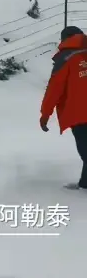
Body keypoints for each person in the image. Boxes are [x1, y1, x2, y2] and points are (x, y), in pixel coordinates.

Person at [40, 25, 87, 189]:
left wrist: (45, 114)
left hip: (80, 114)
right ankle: (85, 184)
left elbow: (55, 88)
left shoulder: (66, 57)